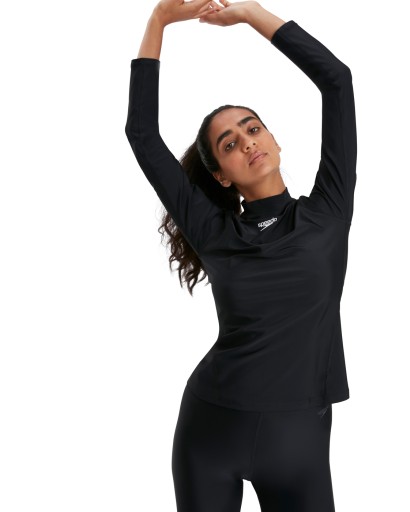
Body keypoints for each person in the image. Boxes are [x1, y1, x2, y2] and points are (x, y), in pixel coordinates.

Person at [124, 0, 357, 510]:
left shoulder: (328, 211)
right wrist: (159, 20)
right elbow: (141, 135)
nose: (247, 143)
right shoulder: (213, 230)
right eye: (229, 144)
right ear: (221, 176)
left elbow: (337, 81)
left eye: (253, 129)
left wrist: (253, 15)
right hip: (211, 429)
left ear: (274, 139)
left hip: (299, 443)